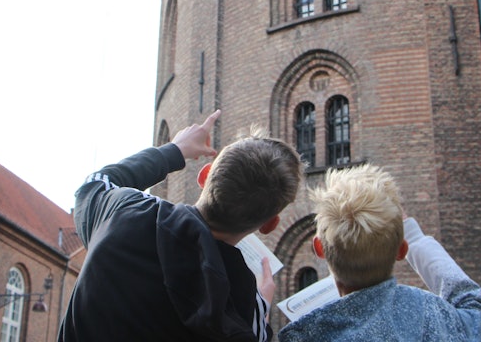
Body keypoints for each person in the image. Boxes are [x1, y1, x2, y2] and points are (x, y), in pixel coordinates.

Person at [58, 110, 304, 342]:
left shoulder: (124, 212)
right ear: (269, 224)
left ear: (204, 176)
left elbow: (94, 184)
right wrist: (261, 307)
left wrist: (175, 150)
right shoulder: (244, 307)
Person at [278, 164, 481, 342]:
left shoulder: (305, 334)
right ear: (402, 251)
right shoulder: (429, 315)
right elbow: (476, 315)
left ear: (319, 248)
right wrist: (414, 236)